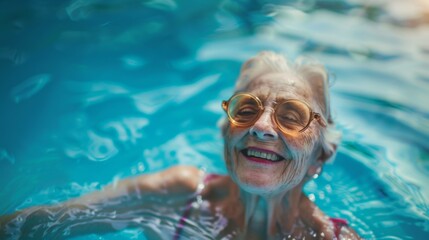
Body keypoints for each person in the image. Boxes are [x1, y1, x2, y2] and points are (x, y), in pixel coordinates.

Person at [0, 51, 360, 239]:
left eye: (292, 115)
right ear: (225, 136)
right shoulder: (178, 195)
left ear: (319, 157)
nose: (262, 127)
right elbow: (35, 224)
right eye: (246, 109)